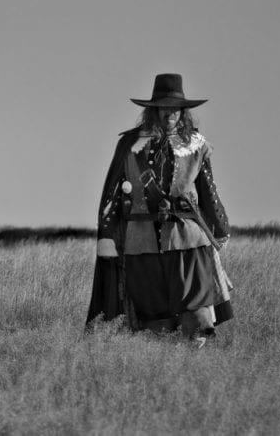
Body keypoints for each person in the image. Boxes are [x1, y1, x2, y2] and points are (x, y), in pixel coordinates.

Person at [85, 73, 233, 344]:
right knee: (154, 319)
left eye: (175, 108)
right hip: (141, 242)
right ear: (153, 110)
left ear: (183, 111)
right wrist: (108, 235)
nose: (169, 113)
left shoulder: (197, 145)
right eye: (163, 107)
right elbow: (112, 193)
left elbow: (208, 191)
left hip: (188, 240)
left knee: (197, 313)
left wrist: (220, 228)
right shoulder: (130, 145)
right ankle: (164, 361)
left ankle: (195, 359)